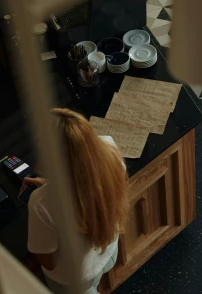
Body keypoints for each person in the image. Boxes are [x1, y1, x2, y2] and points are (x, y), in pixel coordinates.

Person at [22, 109, 128, 294]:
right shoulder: (110, 151)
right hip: (109, 253)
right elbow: (86, 181)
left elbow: (49, 261)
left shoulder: (41, 203)